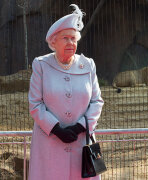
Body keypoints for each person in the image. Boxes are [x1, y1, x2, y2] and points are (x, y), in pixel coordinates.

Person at [28, 4, 104, 180]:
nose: (71, 43)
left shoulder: (88, 65)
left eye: (74, 38)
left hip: (81, 144)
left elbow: (97, 102)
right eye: (65, 38)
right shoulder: (41, 65)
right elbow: (35, 103)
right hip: (49, 144)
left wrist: (80, 127)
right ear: (53, 42)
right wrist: (56, 129)